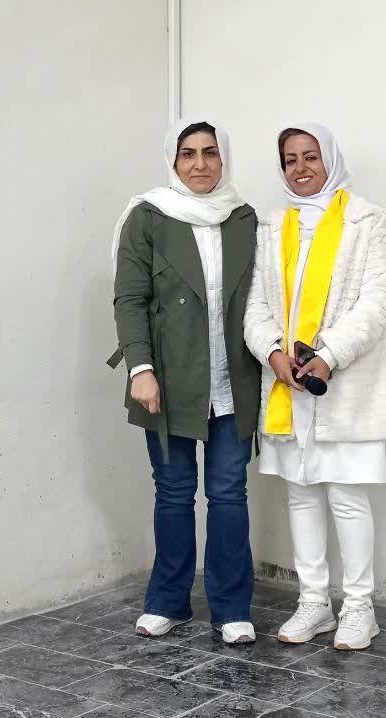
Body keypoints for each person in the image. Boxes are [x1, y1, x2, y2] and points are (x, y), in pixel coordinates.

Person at [244, 123, 386, 650]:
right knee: (301, 495)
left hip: (344, 384)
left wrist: (328, 356)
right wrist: (272, 352)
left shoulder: (366, 220)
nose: (301, 168)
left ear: (330, 159)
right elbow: (255, 305)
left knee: (347, 497)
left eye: (311, 156)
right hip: (287, 383)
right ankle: (314, 603)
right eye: (290, 159)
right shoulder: (272, 226)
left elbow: (379, 301)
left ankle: (359, 608)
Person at [109, 118, 262, 644]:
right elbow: (129, 298)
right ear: (173, 161)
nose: (200, 164)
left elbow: (262, 297)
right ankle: (168, 602)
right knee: (174, 493)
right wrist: (141, 369)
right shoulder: (149, 216)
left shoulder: (244, 218)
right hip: (168, 381)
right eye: (188, 154)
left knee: (229, 494)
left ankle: (232, 608)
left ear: (224, 158)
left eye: (210, 152)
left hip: (234, 379)